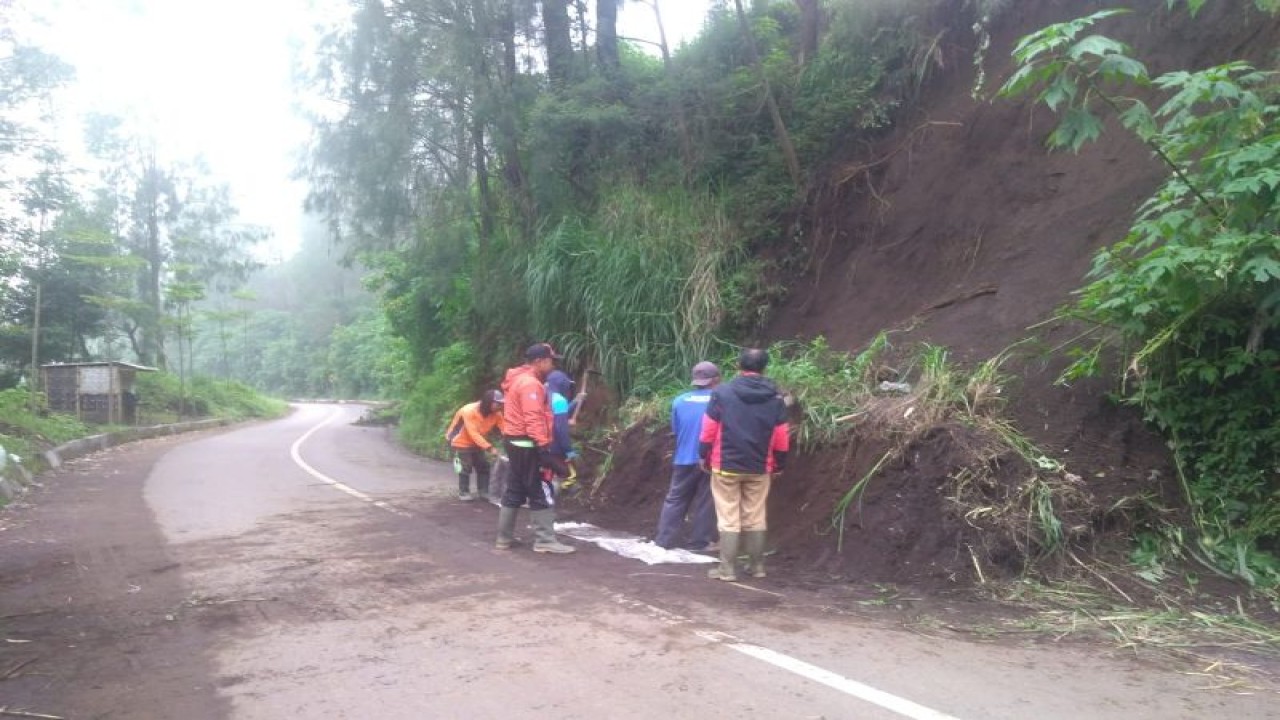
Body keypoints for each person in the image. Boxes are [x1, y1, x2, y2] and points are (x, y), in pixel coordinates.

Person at [699, 348, 790, 581]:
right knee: (755, 515)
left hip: (726, 465)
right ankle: (757, 567)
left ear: (739, 366)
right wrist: (779, 464)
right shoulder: (775, 397)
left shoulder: (722, 393)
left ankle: (727, 569)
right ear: (764, 368)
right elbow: (781, 435)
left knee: (729, 515)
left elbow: (709, 429)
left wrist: (703, 456)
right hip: (760, 466)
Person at [495, 343, 575, 554]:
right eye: (550, 360)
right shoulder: (530, 384)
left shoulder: (517, 380)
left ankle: (504, 539)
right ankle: (545, 540)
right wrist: (543, 447)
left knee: (514, 489)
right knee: (541, 490)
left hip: (515, 442)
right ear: (539, 361)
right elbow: (533, 417)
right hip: (527, 444)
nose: (552, 364)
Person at [653, 361, 721, 552]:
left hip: (683, 459)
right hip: (709, 459)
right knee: (706, 501)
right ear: (716, 379)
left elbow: (676, 430)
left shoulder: (679, 401)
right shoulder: (720, 400)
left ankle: (664, 540)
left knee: (675, 499)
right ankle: (699, 542)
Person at [445, 390, 505, 501]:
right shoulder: (469, 411)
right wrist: (490, 448)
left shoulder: (496, 414)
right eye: (497, 403)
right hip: (459, 440)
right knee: (465, 466)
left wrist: (511, 441)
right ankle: (464, 492)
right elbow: (473, 433)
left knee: (483, 465)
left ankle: (483, 492)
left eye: (501, 403)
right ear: (489, 402)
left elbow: (505, 429)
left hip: (476, 442)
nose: (500, 406)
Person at [545, 368, 578, 490]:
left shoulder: (542, 393)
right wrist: (569, 451)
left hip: (539, 442)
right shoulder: (559, 400)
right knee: (565, 472)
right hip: (554, 446)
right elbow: (561, 430)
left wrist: (575, 402)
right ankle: (553, 493)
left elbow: (556, 415)